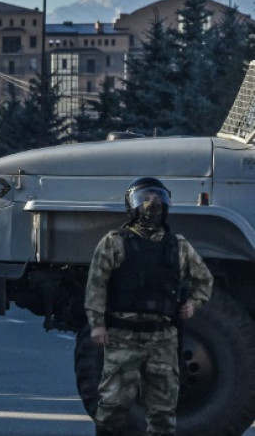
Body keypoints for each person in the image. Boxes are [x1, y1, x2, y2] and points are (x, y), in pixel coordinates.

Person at [85, 177, 213, 436]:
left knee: (163, 412)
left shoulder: (177, 246)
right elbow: (97, 284)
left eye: (157, 199)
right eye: (145, 198)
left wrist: (194, 303)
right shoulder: (115, 241)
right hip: (123, 336)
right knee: (112, 407)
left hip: (163, 338)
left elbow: (204, 280)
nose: (151, 204)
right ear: (132, 204)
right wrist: (97, 324)